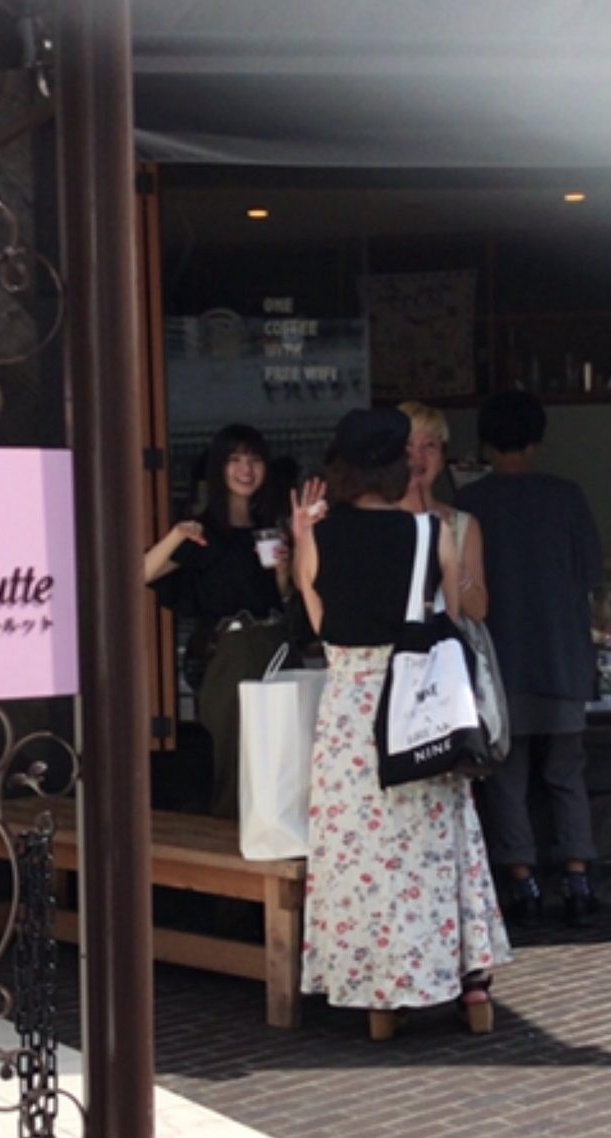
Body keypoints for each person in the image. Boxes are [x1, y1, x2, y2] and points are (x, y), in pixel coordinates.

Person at [292, 407, 511, 1042]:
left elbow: (318, 619)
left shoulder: (322, 535)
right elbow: (450, 615)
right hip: (417, 710)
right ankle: (468, 983)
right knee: (436, 849)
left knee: (360, 853)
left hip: (348, 715)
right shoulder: (427, 532)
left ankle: (378, 996)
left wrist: (303, 536)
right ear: (398, 466)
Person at [457, 390, 604, 927]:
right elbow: (592, 575)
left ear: (486, 443)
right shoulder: (566, 497)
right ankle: (578, 878)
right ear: (537, 441)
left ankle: (523, 882)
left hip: (502, 663)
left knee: (508, 776)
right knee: (567, 773)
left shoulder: (472, 504)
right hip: (563, 658)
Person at [145, 423, 294, 819]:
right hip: (229, 653)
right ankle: (229, 843)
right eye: (235, 460)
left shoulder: (270, 528)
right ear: (219, 468)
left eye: (255, 460)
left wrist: (283, 573)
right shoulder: (203, 532)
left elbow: (282, 600)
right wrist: (177, 535)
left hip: (277, 648)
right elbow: (141, 572)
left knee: (283, 759)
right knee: (234, 755)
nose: (246, 470)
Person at [398, 400, 488, 622]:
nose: (417, 455)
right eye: (407, 446)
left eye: (429, 445)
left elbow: (478, 611)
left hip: (446, 641)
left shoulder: (462, 524)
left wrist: (453, 566)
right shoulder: (375, 517)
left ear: (441, 459)